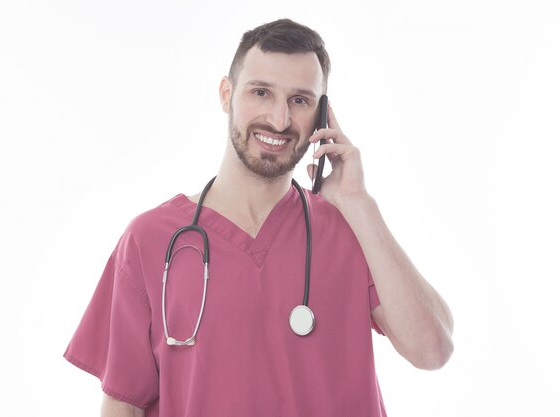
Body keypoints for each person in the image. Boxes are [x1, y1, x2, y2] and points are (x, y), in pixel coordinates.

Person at [64, 18, 454, 417]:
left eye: (300, 100)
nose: (279, 120)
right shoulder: (150, 240)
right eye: (261, 92)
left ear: (322, 115)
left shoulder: (349, 229)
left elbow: (433, 350)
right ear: (226, 94)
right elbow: (123, 404)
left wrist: (358, 202)